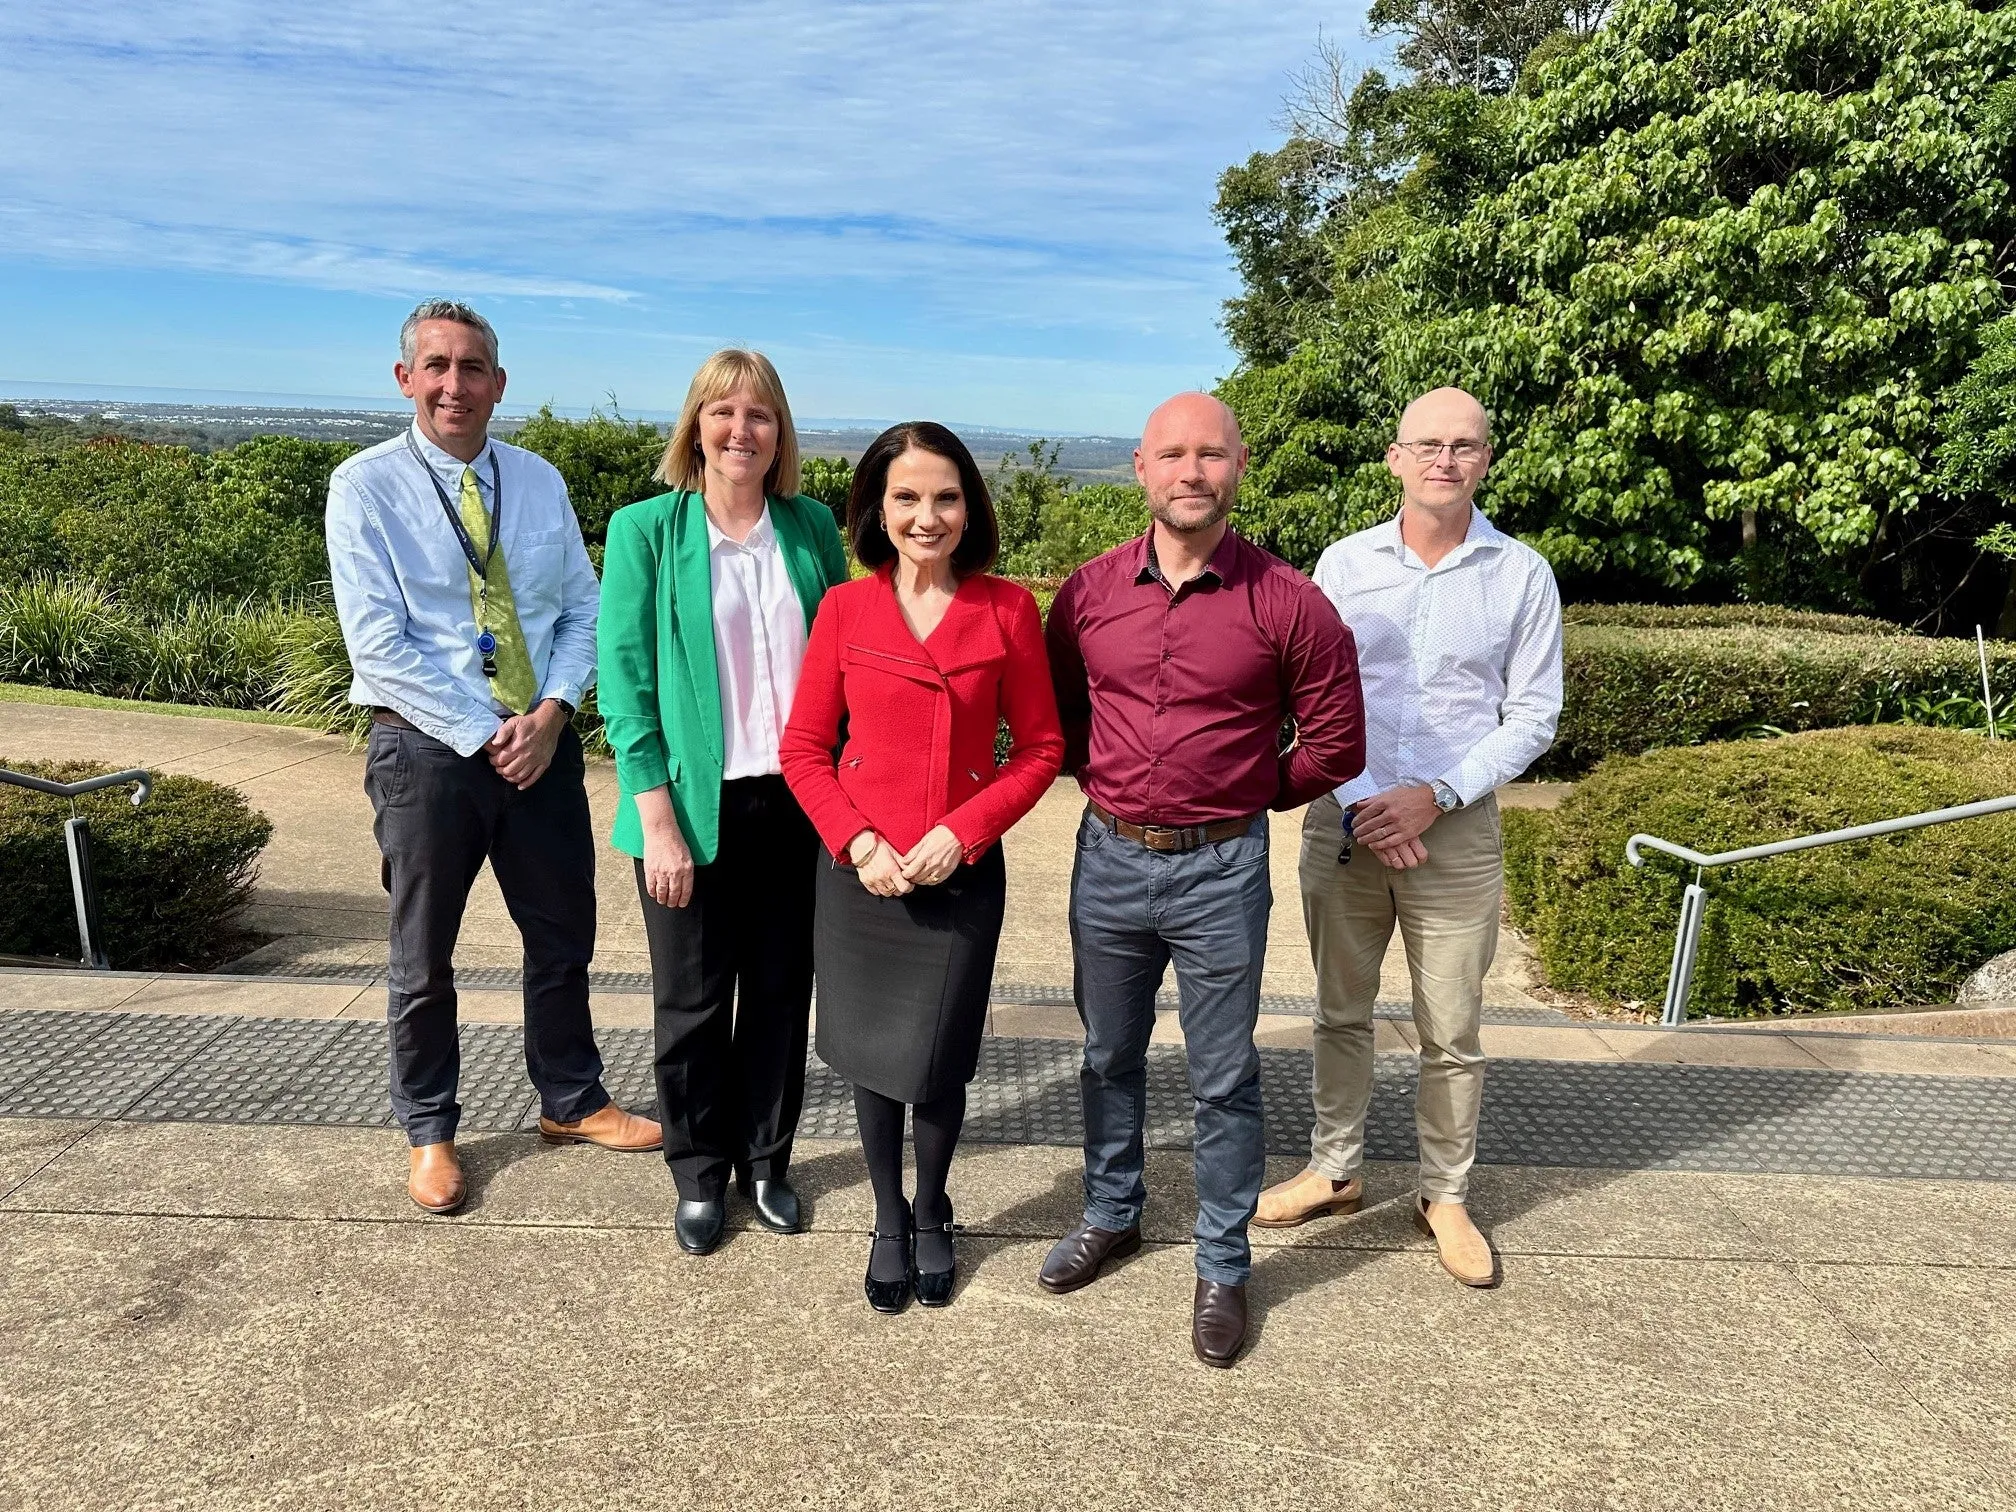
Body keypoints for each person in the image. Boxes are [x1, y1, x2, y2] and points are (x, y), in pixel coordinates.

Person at [1039, 393, 1364, 1367]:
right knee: (1107, 1056)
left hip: (1222, 869)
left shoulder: (1290, 601)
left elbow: (1337, 742)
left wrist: (1247, 791)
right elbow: (1062, 722)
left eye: (1211, 455)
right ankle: (1113, 1212)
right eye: (1173, 454)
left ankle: (1223, 1264)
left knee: (1223, 1075)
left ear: (1240, 466)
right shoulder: (1087, 593)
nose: (1192, 471)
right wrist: (1119, 786)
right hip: (1107, 857)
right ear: (1141, 467)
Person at [327, 299, 661, 1216]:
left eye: (472, 368)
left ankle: (572, 1098)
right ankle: (430, 1129)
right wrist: (487, 732)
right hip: (425, 749)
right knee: (422, 953)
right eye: (435, 366)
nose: (454, 384)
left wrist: (552, 713)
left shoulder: (539, 480)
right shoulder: (365, 486)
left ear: (498, 384)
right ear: (406, 379)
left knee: (563, 934)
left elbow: (580, 611)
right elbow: (376, 644)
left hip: (539, 742)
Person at [1258, 386, 1562, 1289]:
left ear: (1487, 459)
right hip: (1344, 820)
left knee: (1453, 1027)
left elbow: (1535, 713)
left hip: (1454, 831)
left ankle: (1445, 1192)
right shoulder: (1345, 565)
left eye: (1463, 445)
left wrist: (1433, 794)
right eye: (1426, 444)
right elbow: (1307, 691)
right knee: (1339, 1011)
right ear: (1394, 458)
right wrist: (1362, 800)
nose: (1444, 459)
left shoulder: (1521, 575)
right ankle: (1336, 1170)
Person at [781, 422, 1062, 1314]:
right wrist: (858, 842)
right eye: (906, 497)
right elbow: (803, 750)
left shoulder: (1008, 609)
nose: (926, 515)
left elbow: (1042, 749)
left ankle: (935, 1204)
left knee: (939, 1057)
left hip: (960, 870)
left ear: (969, 507)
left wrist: (964, 833)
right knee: (872, 1056)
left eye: (945, 497)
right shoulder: (844, 608)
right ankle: (888, 1219)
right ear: (876, 508)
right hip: (860, 870)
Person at [597, 349, 849, 1257]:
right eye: (723, 413)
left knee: (782, 998)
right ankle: (700, 1173)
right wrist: (656, 821)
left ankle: (767, 1161)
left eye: (761, 415)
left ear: (780, 434)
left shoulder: (812, 526)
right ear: (695, 426)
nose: (741, 430)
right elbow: (624, 688)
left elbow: (847, 659)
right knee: (694, 1005)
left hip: (797, 808)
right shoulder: (647, 532)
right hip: (689, 813)